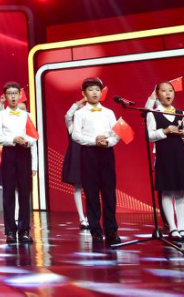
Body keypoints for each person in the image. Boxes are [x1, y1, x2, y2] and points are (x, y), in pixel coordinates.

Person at [70, 77, 121, 244]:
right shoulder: (80, 113)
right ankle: (95, 230)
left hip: (106, 152)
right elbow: (76, 135)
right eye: (91, 90)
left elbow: (116, 134)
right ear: (84, 93)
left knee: (109, 193)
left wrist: (108, 142)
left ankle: (111, 230)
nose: (95, 93)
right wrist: (94, 141)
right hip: (89, 153)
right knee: (91, 193)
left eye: (97, 90)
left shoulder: (109, 112)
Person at [146, 81, 184, 243]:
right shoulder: (153, 113)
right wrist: (165, 131)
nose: (168, 93)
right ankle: (173, 228)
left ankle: (181, 228)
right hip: (164, 155)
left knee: (180, 193)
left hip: (179, 155)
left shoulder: (180, 113)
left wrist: (183, 134)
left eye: (170, 90)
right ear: (157, 94)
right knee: (167, 192)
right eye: (164, 91)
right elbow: (149, 136)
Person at [0, 82, 36, 244]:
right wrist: (13, 140)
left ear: (19, 95)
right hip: (9, 154)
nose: (13, 96)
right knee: (8, 194)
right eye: (9, 93)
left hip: (24, 153)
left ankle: (24, 231)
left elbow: (34, 137)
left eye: (15, 93)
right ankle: (10, 231)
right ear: (5, 96)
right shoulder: (1, 115)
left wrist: (26, 141)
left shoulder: (27, 115)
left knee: (25, 194)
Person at [62, 94, 89, 230]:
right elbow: (68, 116)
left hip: (89, 158)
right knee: (78, 187)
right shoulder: (72, 126)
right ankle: (82, 218)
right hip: (76, 158)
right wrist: (79, 103)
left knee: (91, 188)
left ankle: (90, 217)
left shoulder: (90, 126)